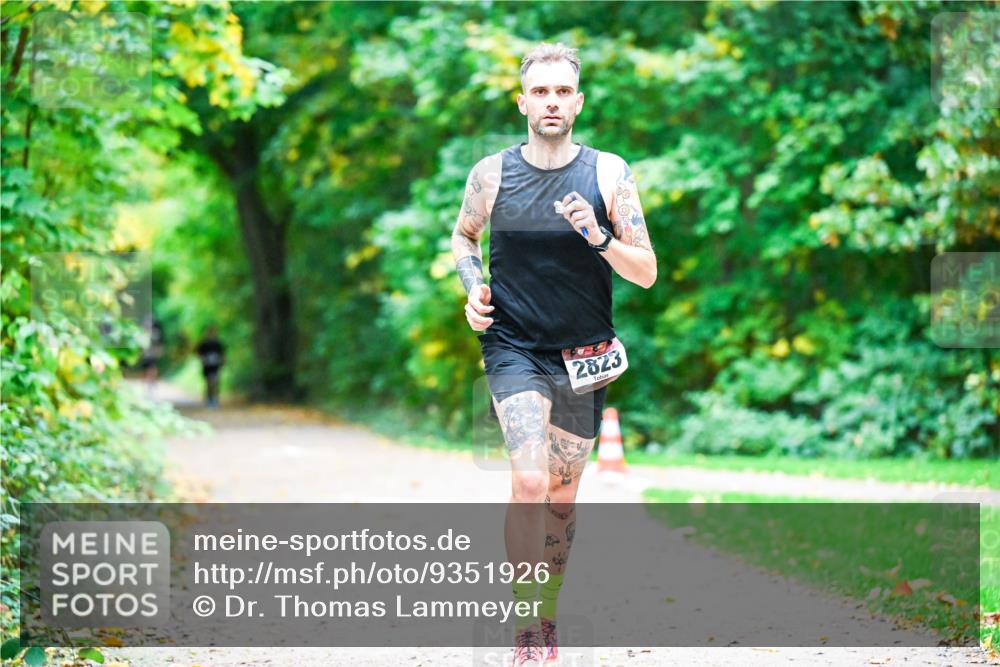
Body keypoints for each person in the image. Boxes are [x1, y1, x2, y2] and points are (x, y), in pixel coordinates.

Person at [451, 42, 657, 667]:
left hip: (584, 354)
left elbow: (645, 271)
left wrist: (597, 237)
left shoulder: (608, 174)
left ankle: (549, 611)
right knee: (530, 480)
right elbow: (463, 237)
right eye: (540, 91)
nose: (551, 101)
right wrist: (472, 289)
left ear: (579, 101)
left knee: (562, 498)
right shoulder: (491, 173)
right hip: (512, 345)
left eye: (562, 91)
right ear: (522, 101)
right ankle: (525, 622)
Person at [195, 326, 225, 408]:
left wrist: (222, 362)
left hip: (216, 366)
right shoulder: (204, 344)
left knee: (215, 382)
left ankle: (215, 399)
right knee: (209, 383)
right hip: (207, 367)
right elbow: (198, 353)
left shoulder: (218, 344)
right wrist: (203, 360)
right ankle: (209, 399)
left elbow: (222, 354)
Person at [139, 315, 165, 397]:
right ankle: (148, 385)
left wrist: (159, 351)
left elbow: (160, 343)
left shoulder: (155, 333)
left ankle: (151, 383)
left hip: (152, 355)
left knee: (152, 369)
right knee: (147, 370)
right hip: (146, 355)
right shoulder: (143, 333)